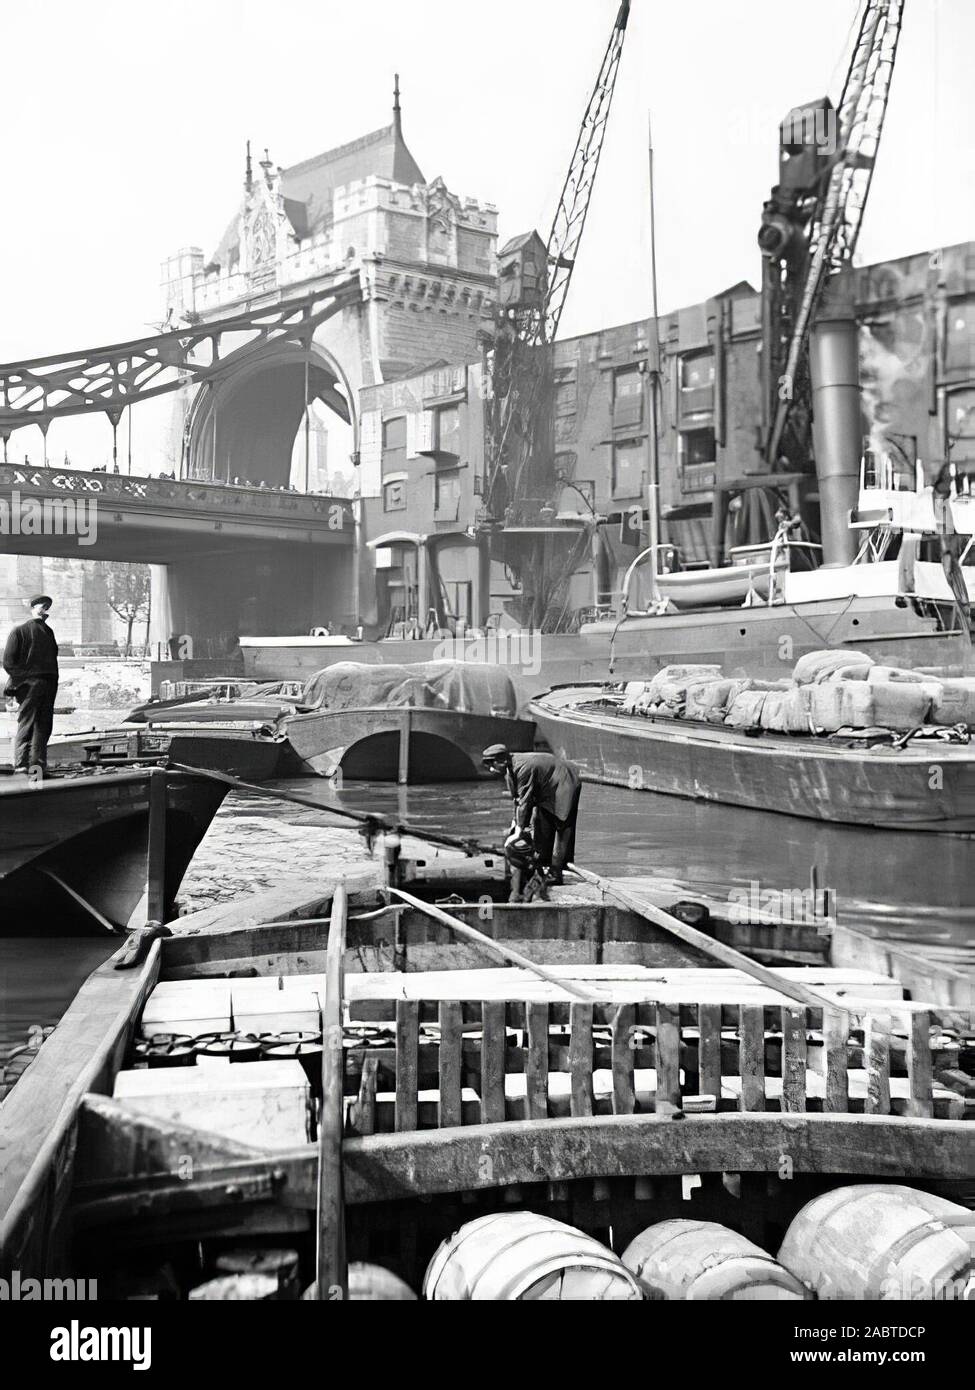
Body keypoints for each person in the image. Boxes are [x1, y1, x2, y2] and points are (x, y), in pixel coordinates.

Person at [481, 745, 582, 901]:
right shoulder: (510, 772)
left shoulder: (522, 768)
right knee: (541, 824)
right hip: (546, 787)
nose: (491, 770)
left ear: (502, 760)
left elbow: (525, 801)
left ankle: (557, 872)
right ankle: (542, 866)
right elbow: (518, 801)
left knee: (562, 825)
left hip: (564, 782)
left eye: (492, 764)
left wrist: (519, 832)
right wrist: (516, 826)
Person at [3, 595, 60, 777]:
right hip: (30, 686)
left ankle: (37, 769)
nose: (44, 609)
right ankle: (21, 766)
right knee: (27, 725)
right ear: (33, 607)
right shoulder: (19, 631)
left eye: (47, 607)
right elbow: (9, 663)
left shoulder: (49, 632)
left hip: (48, 685)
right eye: (41, 606)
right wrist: (27, 680)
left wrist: (51, 682)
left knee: (44, 727)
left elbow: (53, 661)